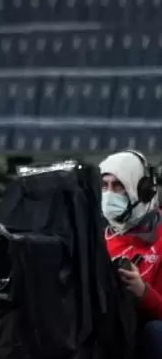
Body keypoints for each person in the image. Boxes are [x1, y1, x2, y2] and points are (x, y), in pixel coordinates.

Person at [101, 150, 162, 359]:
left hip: (148, 336)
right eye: (104, 185)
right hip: (111, 333)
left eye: (118, 185)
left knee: (155, 332)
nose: (109, 194)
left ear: (143, 191)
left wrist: (142, 292)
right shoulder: (96, 238)